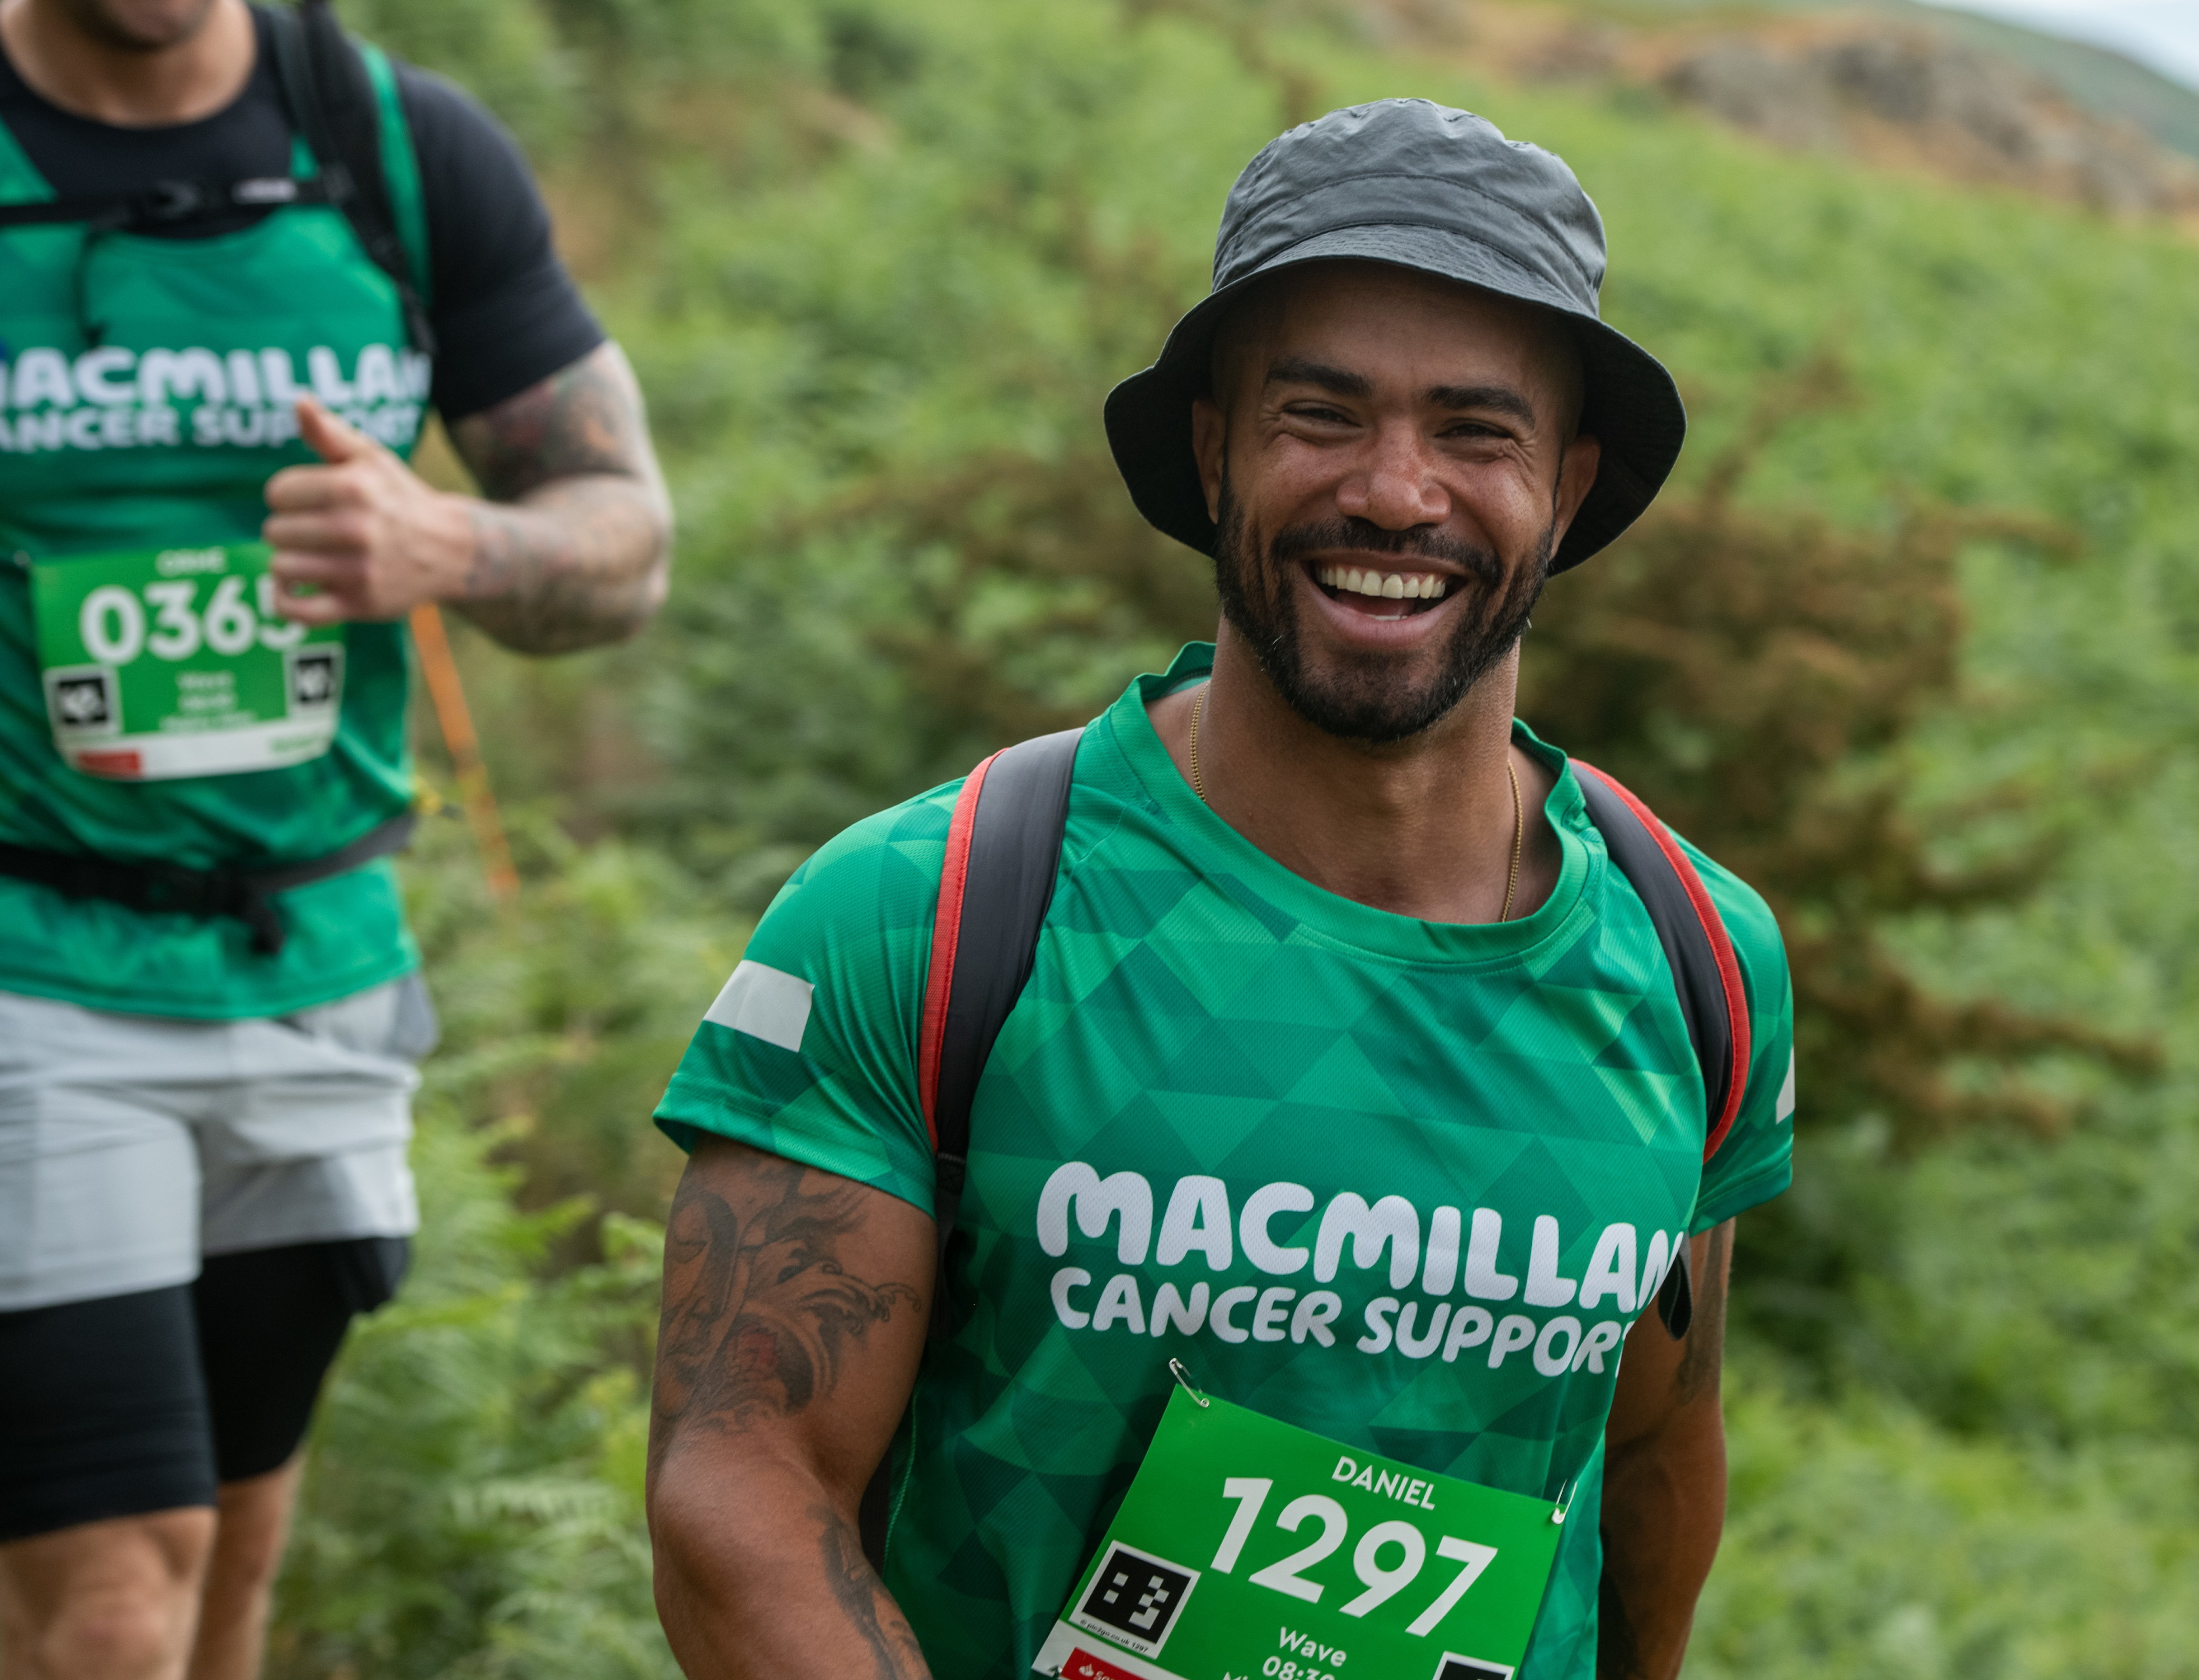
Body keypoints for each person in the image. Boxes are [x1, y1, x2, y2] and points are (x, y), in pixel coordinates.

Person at [646, 99, 1792, 1680]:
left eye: (1478, 432)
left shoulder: (1698, 961)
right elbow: (740, 1487)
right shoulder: (926, 913)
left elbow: (1658, 1459)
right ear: (1213, 448)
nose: (1397, 494)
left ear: (1573, 488)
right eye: (1322, 415)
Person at [0, 0, 671, 1673]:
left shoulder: (392, 149)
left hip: (317, 962)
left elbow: (625, 542)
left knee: (229, 1561)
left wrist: (451, 543)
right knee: (113, 1584)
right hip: (32, 963)